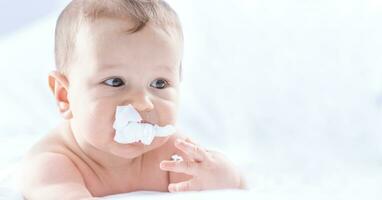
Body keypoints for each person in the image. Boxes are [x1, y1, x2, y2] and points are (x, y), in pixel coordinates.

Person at [21, 0, 245, 199]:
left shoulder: (172, 152)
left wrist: (221, 175)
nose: (142, 104)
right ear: (64, 96)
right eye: (115, 82)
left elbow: (235, 185)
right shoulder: (54, 163)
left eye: (159, 84)